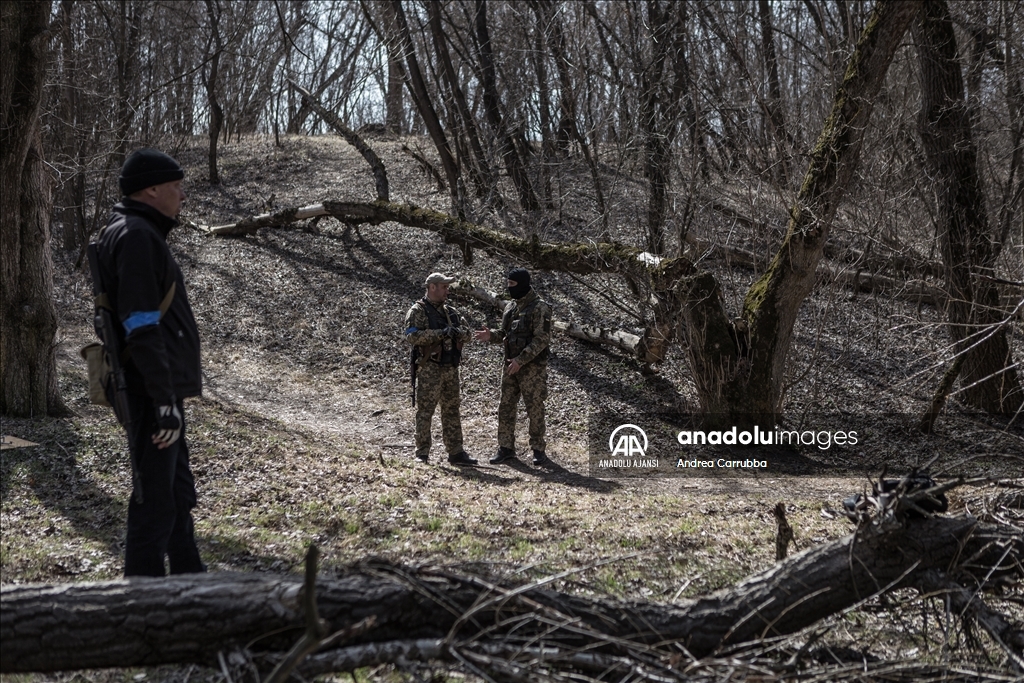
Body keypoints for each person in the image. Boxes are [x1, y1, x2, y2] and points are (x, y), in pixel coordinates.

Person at [93, 148, 205, 576]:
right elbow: (140, 324)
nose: (181, 196)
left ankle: (191, 584)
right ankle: (141, 603)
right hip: (149, 391)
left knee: (175, 494)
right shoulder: (137, 235)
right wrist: (162, 400)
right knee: (155, 501)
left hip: (155, 389)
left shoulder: (135, 231)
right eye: (176, 187)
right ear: (151, 189)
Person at [474, 268, 553, 466]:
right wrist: (490, 335)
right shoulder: (510, 306)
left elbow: (541, 339)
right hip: (510, 366)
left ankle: (538, 450)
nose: (508, 289)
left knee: (534, 408)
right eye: (507, 284)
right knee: (506, 406)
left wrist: (521, 360)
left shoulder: (539, 307)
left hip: (531, 369)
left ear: (523, 284)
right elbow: (504, 333)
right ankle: (506, 448)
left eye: (512, 285)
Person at [405, 273, 477, 466]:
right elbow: (412, 336)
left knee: (452, 409)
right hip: (430, 368)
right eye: (444, 287)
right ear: (432, 287)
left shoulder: (451, 312)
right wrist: (440, 333)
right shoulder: (417, 311)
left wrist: (458, 332)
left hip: (450, 368)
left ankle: (456, 452)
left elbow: (469, 333)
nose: (447, 290)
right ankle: (422, 452)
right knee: (425, 411)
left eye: (447, 287)